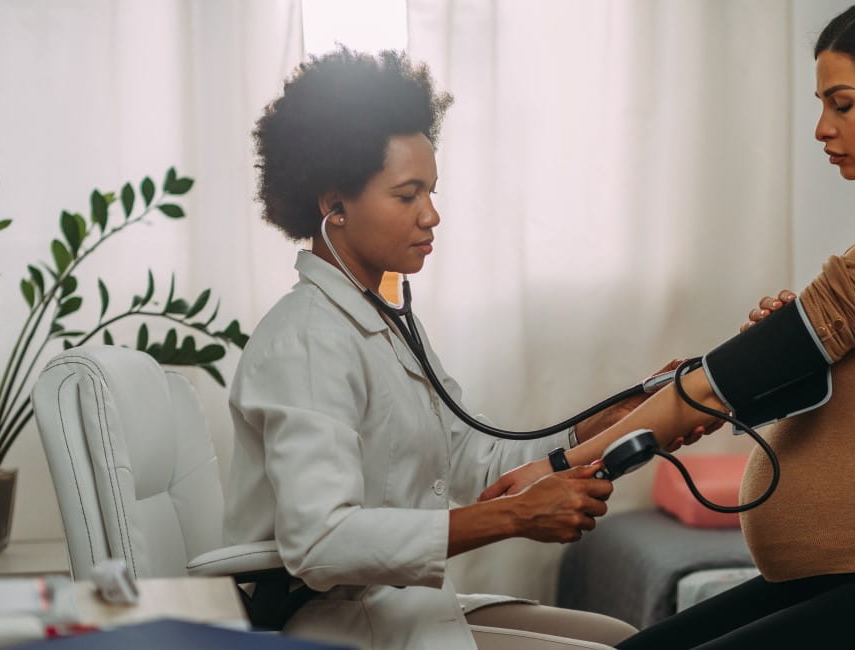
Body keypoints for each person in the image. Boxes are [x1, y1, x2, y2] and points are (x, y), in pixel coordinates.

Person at [482, 2, 855, 648]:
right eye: (821, 105)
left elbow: (712, 389)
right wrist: (780, 362)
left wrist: (559, 466)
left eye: (842, 104)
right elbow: (841, 401)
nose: (821, 128)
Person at [223, 48, 697, 650]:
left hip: (396, 606)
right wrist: (515, 518)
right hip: (327, 622)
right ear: (333, 205)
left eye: (431, 191)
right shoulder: (308, 342)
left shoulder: (382, 322)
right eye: (407, 196)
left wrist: (601, 425)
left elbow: (474, 460)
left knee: (622, 637)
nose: (432, 216)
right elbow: (320, 542)